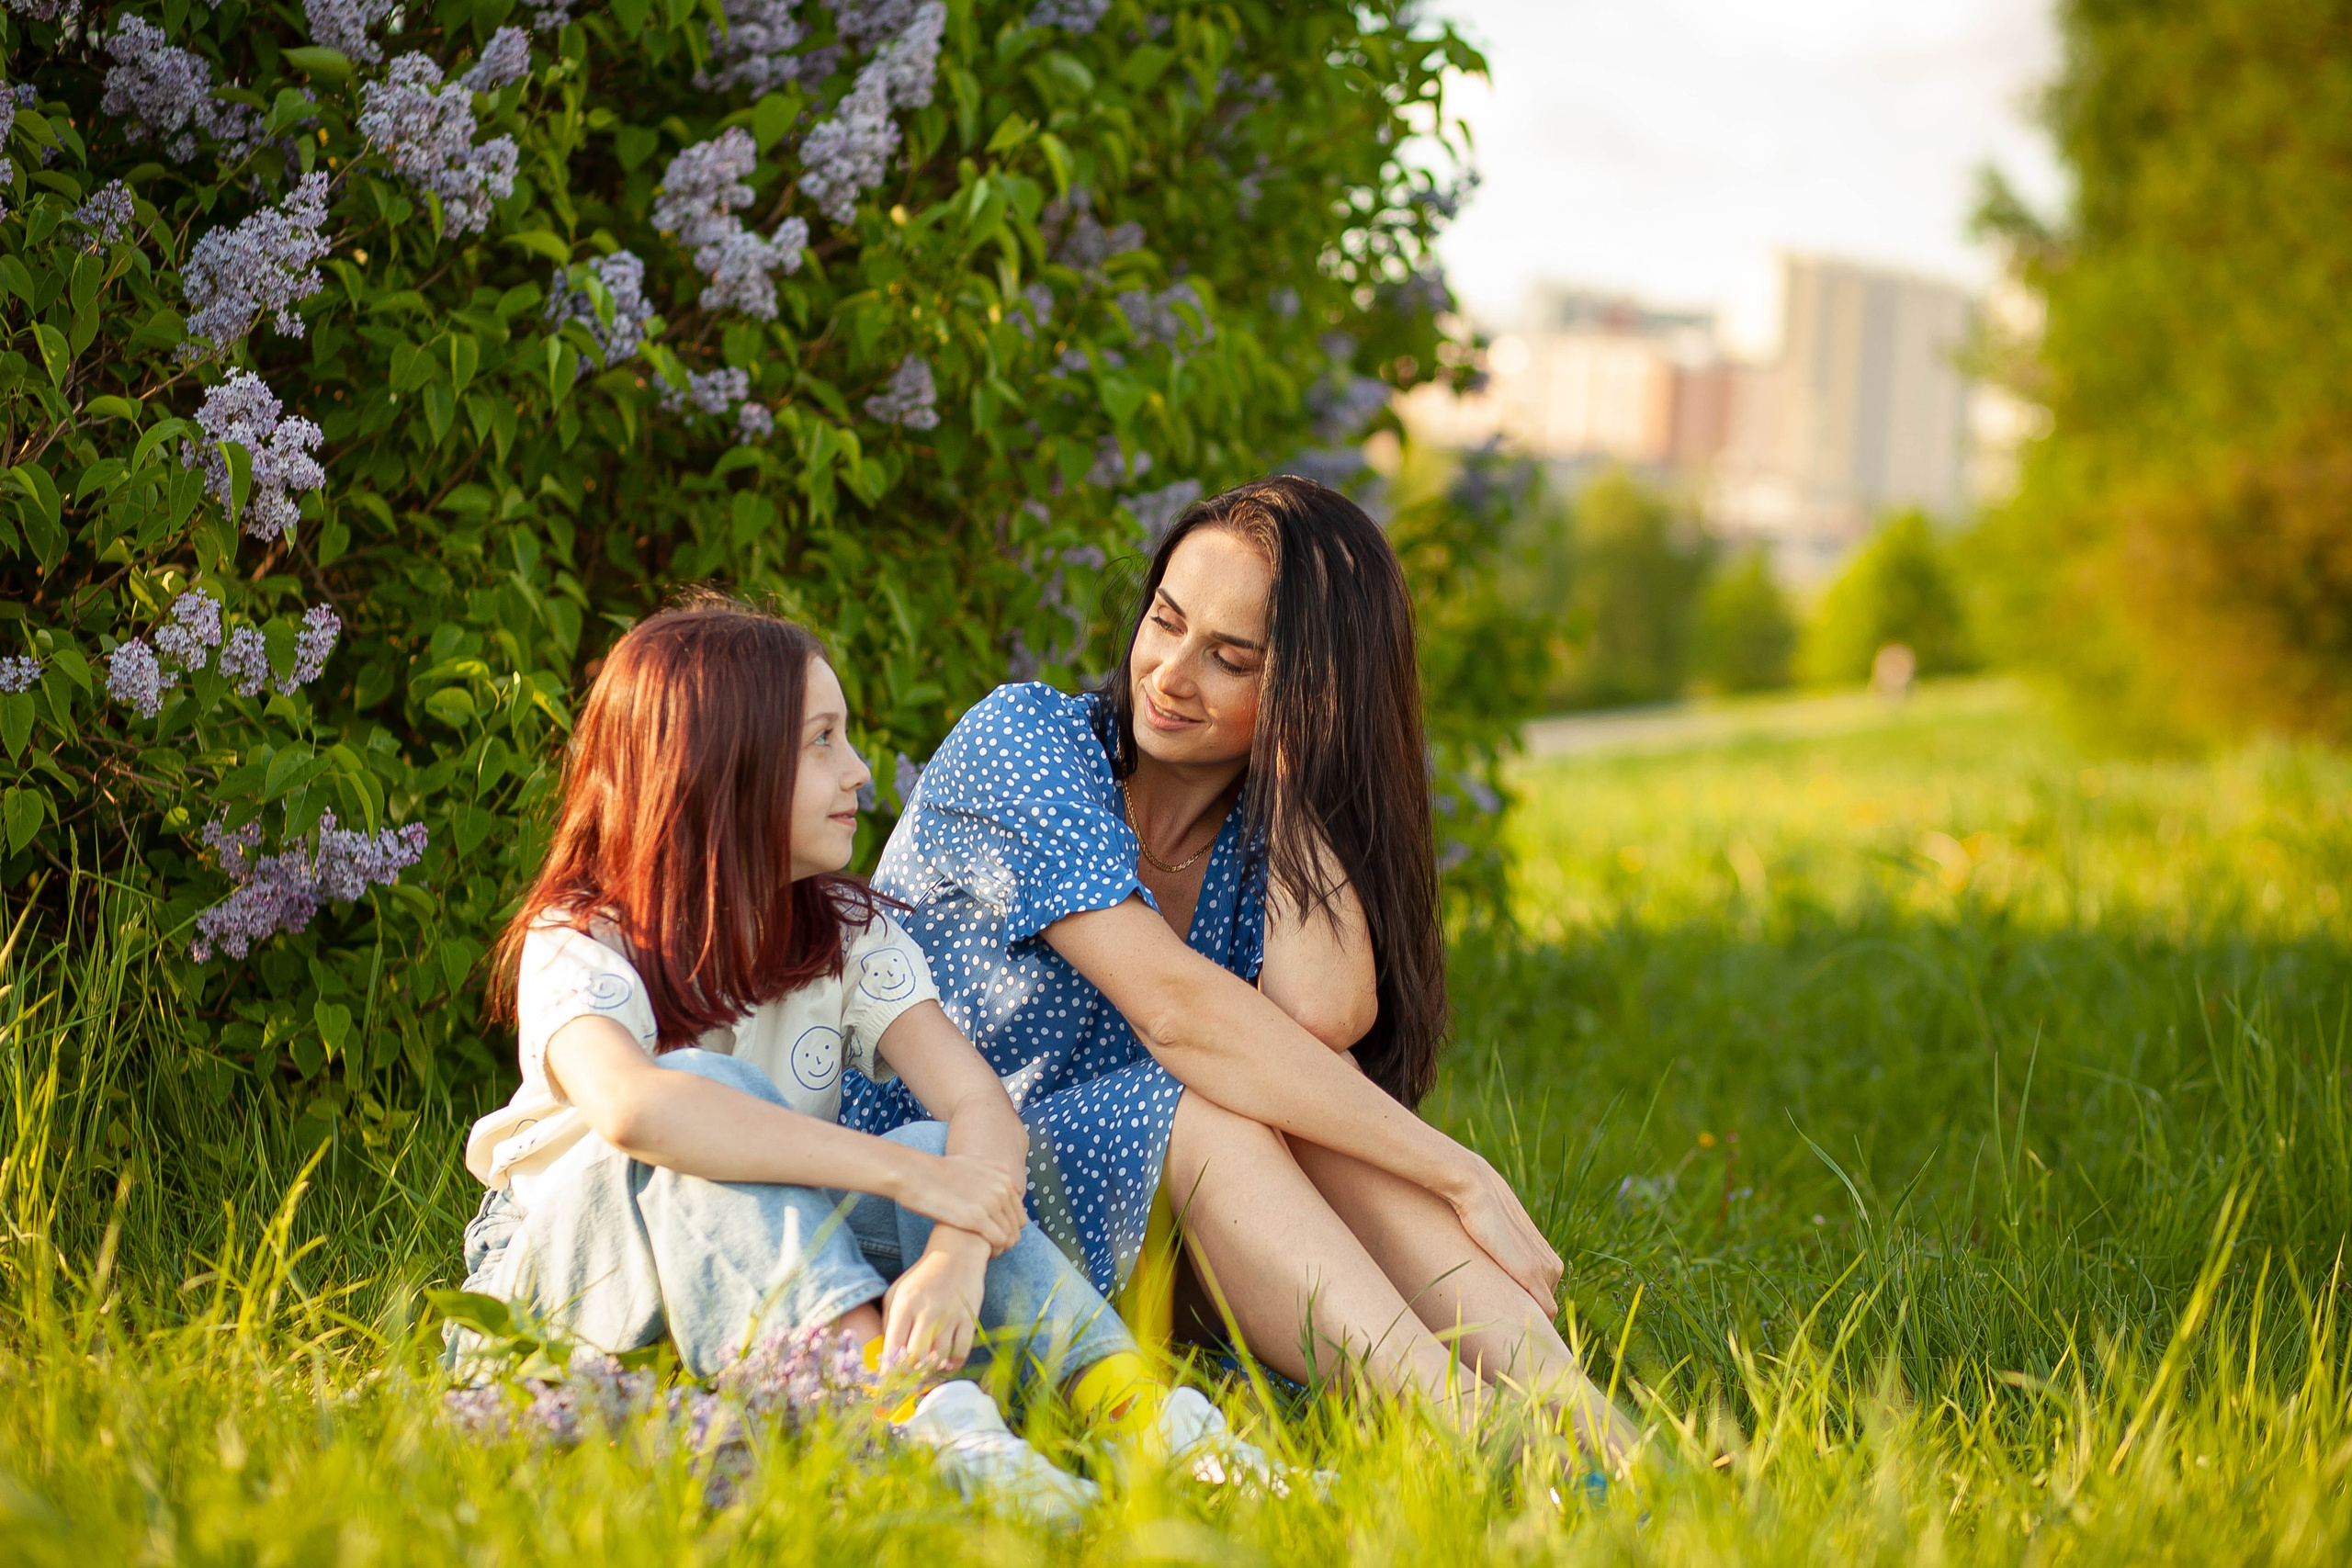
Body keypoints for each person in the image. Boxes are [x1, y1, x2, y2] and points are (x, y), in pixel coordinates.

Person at [844, 476, 1642, 1458]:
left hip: (1120, 1230)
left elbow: (1316, 1020)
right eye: (1165, 623)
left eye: (1231, 660)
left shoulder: (1258, 842)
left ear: (1309, 695)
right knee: (1204, 1097)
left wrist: (1303, 768)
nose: (1171, 675)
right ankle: (1476, 1431)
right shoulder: (1027, 745)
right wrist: (1458, 1170)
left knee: (1306, 1086)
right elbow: (1177, 1016)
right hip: (926, 1206)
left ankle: (1597, 1429)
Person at [451, 598, 1268, 1522]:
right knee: (708, 1100)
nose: (861, 772)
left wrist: (956, 1250)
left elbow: (977, 1107)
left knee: (934, 1144)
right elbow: (637, 1110)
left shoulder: (844, 930)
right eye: (821, 742)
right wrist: (910, 1182)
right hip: (554, 1293)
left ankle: (1149, 1423)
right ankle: (917, 1424)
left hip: (755, 1263)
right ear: (719, 768)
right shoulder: (581, 938)